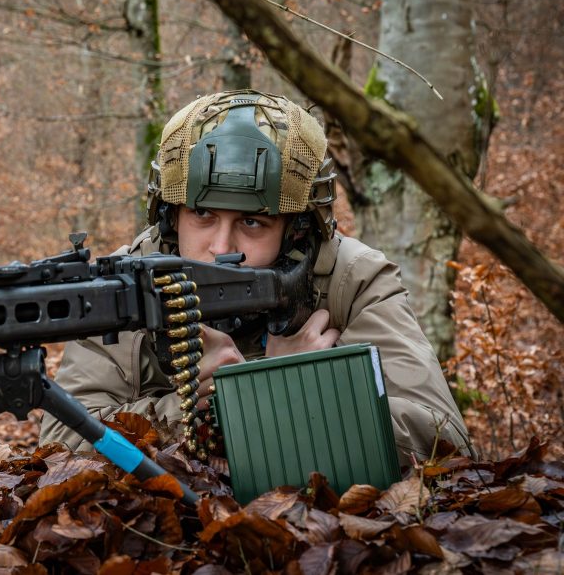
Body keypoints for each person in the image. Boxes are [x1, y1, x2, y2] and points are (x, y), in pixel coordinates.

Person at [40, 90, 473, 466]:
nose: (221, 246)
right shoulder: (128, 284)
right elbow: (61, 444)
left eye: (252, 223)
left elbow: (442, 437)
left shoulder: (350, 279)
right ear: (172, 219)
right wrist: (205, 409)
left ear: (296, 231)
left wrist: (279, 386)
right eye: (203, 215)